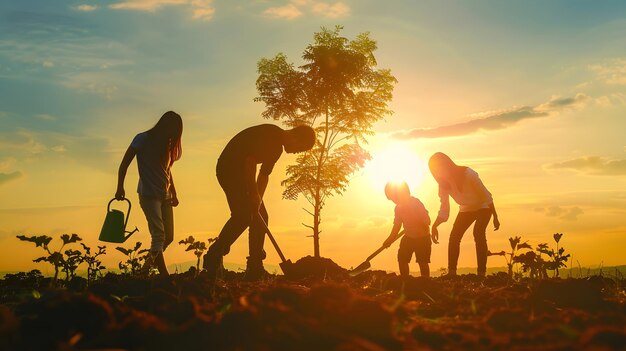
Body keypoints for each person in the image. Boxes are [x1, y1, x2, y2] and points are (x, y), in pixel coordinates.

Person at [203, 124, 316, 280]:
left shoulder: (277, 149)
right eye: (299, 148)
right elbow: (250, 162)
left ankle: (255, 265)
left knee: (260, 215)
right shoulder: (272, 138)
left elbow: (264, 175)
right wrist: (253, 193)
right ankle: (213, 257)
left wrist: (258, 200)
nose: (296, 152)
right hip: (229, 169)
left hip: (240, 172)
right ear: (296, 137)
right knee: (242, 216)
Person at [115, 111, 183, 276]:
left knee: (169, 237)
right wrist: (120, 187)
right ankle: (163, 274)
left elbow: (167, 170)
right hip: (149, 194)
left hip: (165, 195)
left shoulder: (166, 144)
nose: (174, 136)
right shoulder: (142, 138)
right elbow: (124, 164)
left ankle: (144, 270)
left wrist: (174, 192)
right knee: (158, 235)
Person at [428, 152, 500, 277]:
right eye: (435, 170)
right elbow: (444, 209)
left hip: (483, 206)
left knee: (478, 233)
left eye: (440, 167)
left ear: (447, 164)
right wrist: (435, 225)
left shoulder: (468, 174)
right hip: (466, 209)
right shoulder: (443, 185)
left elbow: (485, 195)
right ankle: (452, 273)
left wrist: (495, 216)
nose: (439, 172)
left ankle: (481, 273)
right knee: (454, 236)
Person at [382, 181, 432, 278]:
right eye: (392, 199)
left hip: (423, 238)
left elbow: (428, 221)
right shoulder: (398, 209)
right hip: (408, 238)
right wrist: (390, 239)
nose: (394, 201)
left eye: (394, 198)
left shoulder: (416, 203)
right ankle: (405, 279)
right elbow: (397, 226)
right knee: (402, 259)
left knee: (423, 262)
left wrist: (419, 221)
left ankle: (426, 281)